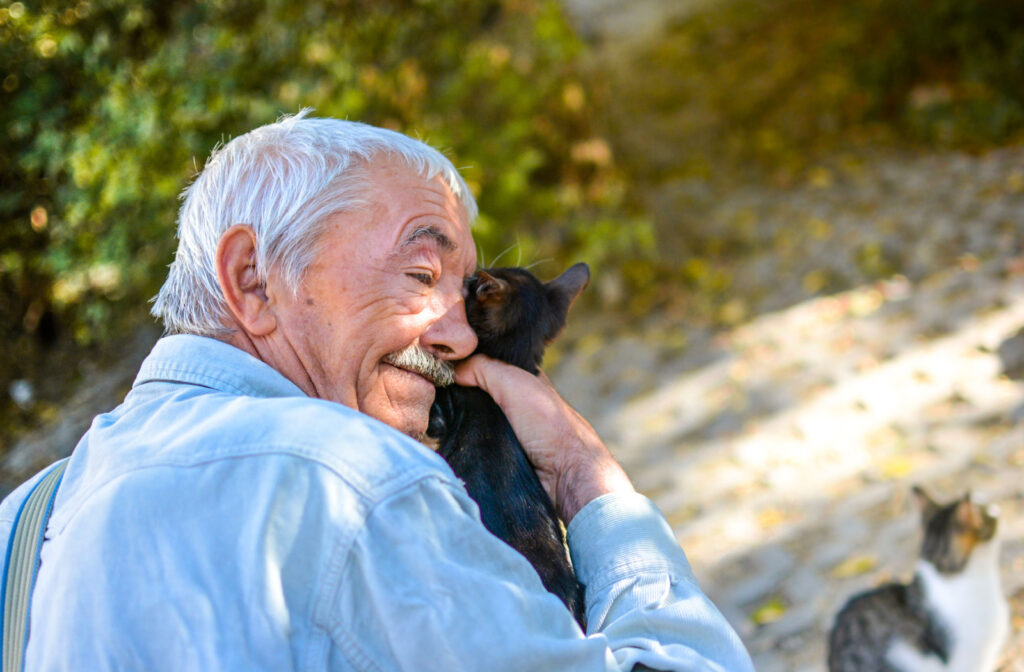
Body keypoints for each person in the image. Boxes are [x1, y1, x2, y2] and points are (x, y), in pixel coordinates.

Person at [0, 112, 754, 671]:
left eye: (464, 294)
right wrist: (586, 481)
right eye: (422, 276)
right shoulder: (349, 485)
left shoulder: (22, 527)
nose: (460, 336)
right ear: (253, 280)